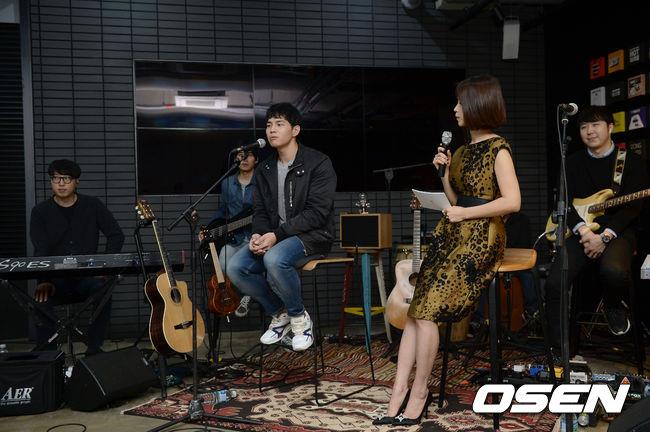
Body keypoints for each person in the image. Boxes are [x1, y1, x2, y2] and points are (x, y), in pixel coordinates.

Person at [375, 75, 520, 426]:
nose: (455, 109)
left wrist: (465, 214)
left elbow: (513, 202)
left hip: (482, 236)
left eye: (460, 103)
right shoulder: (463, 151)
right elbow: (456, 200)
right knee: (415, 310)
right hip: (453, 232)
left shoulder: (498, 149)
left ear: (478, 106)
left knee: (425, 312)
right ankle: (398, 391)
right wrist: (443, 174)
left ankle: (419, 393)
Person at [226, 103, 337, 352]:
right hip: (277, 237)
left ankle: (299, 317)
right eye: (268, 125)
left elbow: (317, 213)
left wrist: (275, 236)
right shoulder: (265, 169)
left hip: (313, 236)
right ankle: (280, 312)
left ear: (295, 130)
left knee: (274, 259)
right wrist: (258, 234)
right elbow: (260, 211)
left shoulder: (318, 163)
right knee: (235, 267)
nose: (272, 130)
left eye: (279, 124)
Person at [545, 106, 647, 351]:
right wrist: (584, 232)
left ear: (610, 127)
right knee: (555, 282)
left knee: (613, 271)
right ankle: (558, 351)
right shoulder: (571, 162)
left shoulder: (631, 162)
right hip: (580, 231)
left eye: (595, 125)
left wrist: (605, 236)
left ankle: (613, 305)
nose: (589, 131)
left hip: (618, 230)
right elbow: (564, 203)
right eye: (583, 127)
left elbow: (632, 208)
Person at [30, 159, 124, 356]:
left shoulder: (93, 205)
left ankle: (94, 348)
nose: (61, 183)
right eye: (56, 178)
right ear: (51, 181)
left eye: (66, 178)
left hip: (86, 279)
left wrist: (104, 268)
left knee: (103, 290)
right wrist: (43, 280)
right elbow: (40, 249)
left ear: (76, 181)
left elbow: (116, 235)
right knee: (41, 300)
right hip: (56, 281)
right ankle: (48, 355)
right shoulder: (40, 212)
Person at [202, 149, 258, 317]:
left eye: (249, 155)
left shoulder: (263, 181)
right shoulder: (227, 183)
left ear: (256, 159)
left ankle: (250, 294)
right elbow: (223, 210)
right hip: (235, 237)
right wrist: (208, 228)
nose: (244, 159)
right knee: (223, 263)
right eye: (240, 156)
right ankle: (247, 292)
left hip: (257, 236)